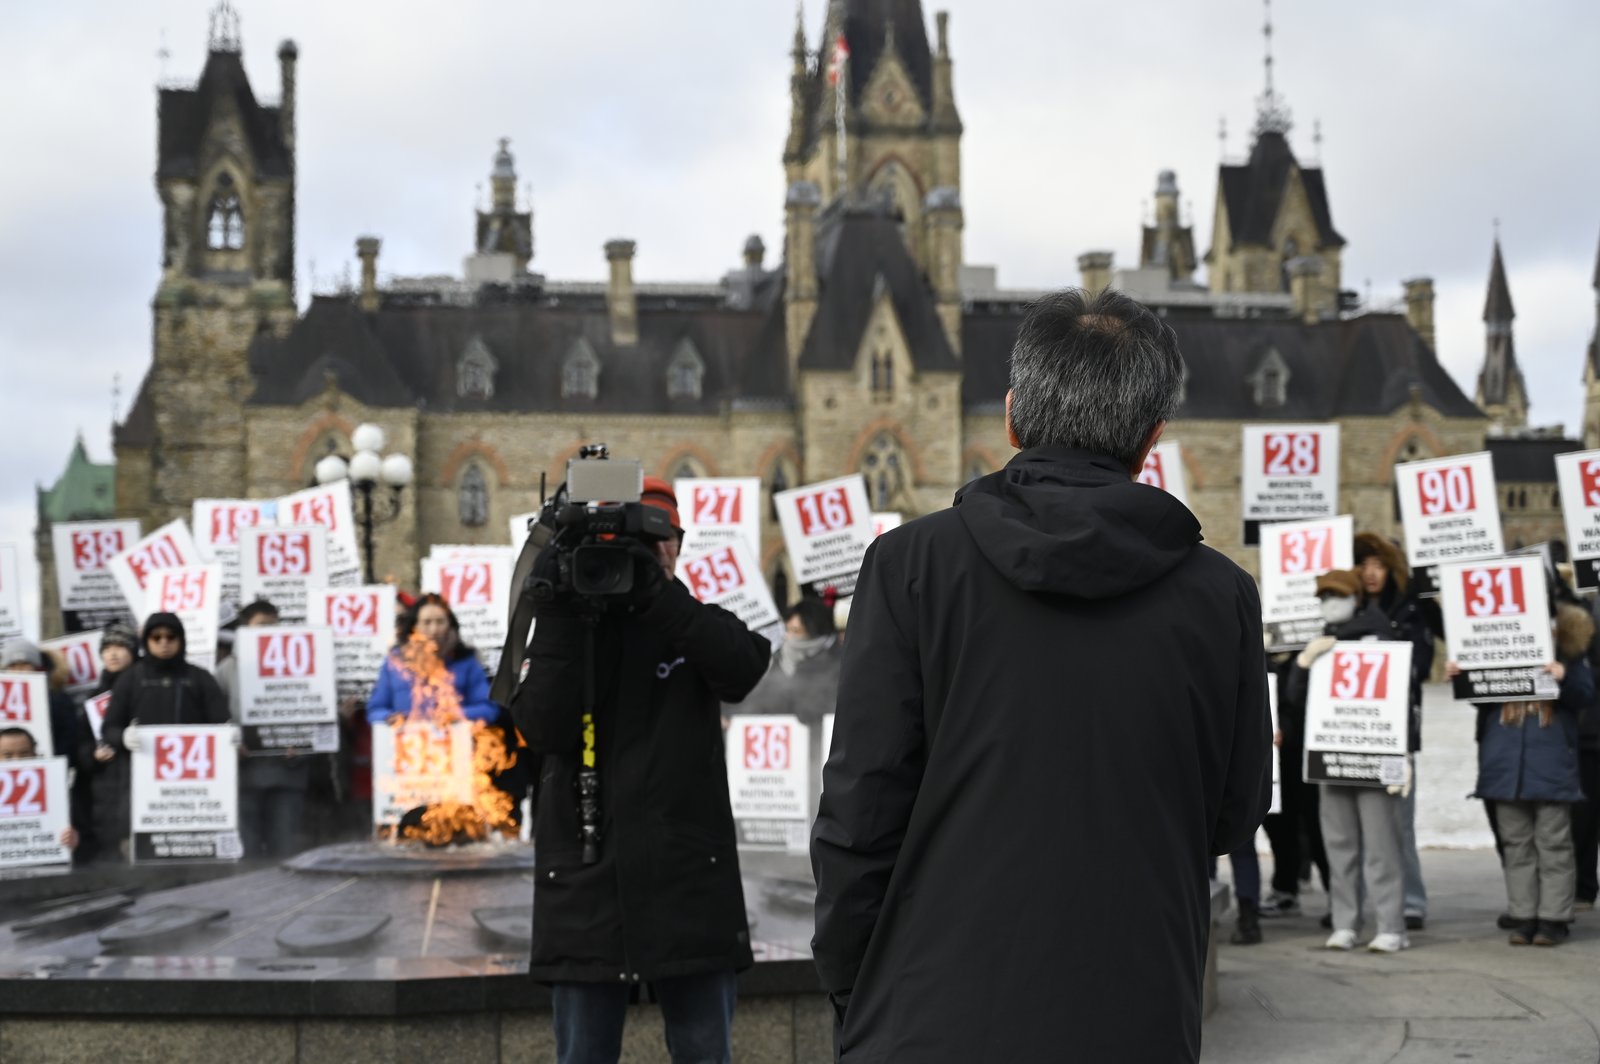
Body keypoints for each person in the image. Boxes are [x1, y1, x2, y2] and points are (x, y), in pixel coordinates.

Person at [811, 288, 1271, 1063]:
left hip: (932, 1011)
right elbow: (1233, 813)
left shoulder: (909, 566)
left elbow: (862, 811)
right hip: (1137, 1011)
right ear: (1151, 438)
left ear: (1012, 416)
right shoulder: (1222, 594)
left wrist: (852, 987)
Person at [511, 475, 772, 1064]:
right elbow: (542, 729)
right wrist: (558, 611)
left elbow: (743, 667)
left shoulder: (690, 621)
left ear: (678, 544)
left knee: (705, 1052)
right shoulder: (569, 627)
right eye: (632, 542)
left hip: (688, 884)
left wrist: (657, 596)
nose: (649, 553)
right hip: (585, 888)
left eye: (658, 539)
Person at [1288, 569, 1412, 953]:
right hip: (1332, 754)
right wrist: (1303, 663)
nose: (1330, 604)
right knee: (1339, 845)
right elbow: (1295, 701)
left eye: (1337, 596)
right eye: (1324, 597)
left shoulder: (1382, 637)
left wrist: (1403, 753)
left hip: (1373, 755)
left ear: (1356, 598)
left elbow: (1401, 698)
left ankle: (1392, 926)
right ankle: (1345, 922)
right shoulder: (1322, 641)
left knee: (1381, 846)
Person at [1463, 602, 1595, 947]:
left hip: (1550, 764)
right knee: (1516, 844)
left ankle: (1553, 918)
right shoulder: (1496, 646)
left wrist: (1564, 676)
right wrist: (1463, 673)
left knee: (1553, 845)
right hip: (1505, 765)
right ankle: (1524, 915)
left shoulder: (1569, 650)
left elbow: (1585, 694)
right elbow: (1479, 698)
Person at [1353, 532, 1434, 930]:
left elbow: (1422, 664)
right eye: (1365, 565)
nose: (1371, 573)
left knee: (1400, 821)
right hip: (1349, 730)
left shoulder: (1410, 611)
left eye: (1379, 566)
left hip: (1395, 731)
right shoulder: (1344, 609)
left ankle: (1411, 901)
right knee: (1356, 826)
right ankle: (1359, 903)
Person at [100, 613, 232, 854]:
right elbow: (109, 728)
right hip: (143, 789)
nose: (164, 643)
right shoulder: (130, 679)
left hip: (194, 790)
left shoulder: (199, 678)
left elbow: (221, 721)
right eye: (156, 637)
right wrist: (123, 737)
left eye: (171, 637)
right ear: (147, 641)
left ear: (181, 639)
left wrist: (230, 736)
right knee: (143, 855)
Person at [214, 600, 312, 859]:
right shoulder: (226, 670)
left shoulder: (300, 666)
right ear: (244, 628)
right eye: (261, 625)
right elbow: (215, 718)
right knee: (247, 850)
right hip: (244, 774)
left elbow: (312, 710)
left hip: (287, 774)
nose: (268, 631)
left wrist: (302, 746)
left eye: (273, 625)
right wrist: (231, 744)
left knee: (286, 849)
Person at [1260, 657, 1330, 919]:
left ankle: (1339, 897)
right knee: (1279, 826)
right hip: (1278, 759)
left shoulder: (1316, 654)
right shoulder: (1263, 658)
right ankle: (1285, 889)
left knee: (1318, 828)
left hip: (1311, 753)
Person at [76, 623, 140, 863]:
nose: (113, 653)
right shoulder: (93, 697)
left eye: (121, 647)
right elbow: (81, 743)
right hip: (105, 786)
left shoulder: (144, 688)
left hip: (139, 776)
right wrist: (93, 755)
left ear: (133, 651)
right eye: (107, 648)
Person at [0, 727, 79, 851]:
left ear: (35, 754)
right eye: (8, 755)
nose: (16, 760)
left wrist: (73, 839)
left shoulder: (57, 790)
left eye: (24, 754)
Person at [1, 637, 79, 759]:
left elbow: (69, 736)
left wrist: (54, 762)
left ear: (36, 667)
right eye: (13, 665)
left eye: (24, 664)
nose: (19, 670)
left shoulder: (58, 698)